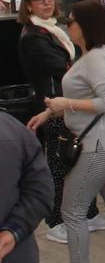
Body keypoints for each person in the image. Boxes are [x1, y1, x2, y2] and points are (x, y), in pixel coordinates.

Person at [25, 1, 105, 263]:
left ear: (86, 25)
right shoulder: (97, 53)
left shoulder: (95, 58)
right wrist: (52, 111)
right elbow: (91, 99)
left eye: (70, 21)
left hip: (101, 144)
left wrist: (64, 104)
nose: (66, 25)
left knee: (72, 212)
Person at [16, 0, 105, 245]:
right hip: (54, 106)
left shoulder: (54, 29)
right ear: (28, 5)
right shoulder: (34, 36)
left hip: (70, 102)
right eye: (39, 0)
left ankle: (89, 213)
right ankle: (56, 221)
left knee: (83, 160)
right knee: (60, 164)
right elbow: (64, 67)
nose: (47, 2)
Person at [1, 109, 54, 263]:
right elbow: (41, 191)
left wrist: (12, 233)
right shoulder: (14, 129)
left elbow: (41, 191)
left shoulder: (14, 131)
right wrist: (13, 231)